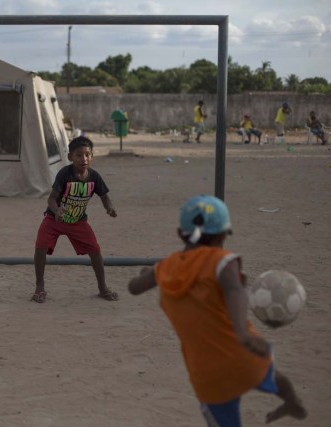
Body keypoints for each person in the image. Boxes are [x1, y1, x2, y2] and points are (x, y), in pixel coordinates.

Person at [128, 195, 307, 426]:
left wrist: (150, 274)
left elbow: (133, 288)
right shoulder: (221, 260)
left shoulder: (166, 267)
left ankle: (290, 403)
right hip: (244, 356)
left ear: (180, 233)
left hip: (207, 374)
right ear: (223, 235)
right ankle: (292, 402)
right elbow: (235, 290)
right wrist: (242, 333)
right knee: (272, 374)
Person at [32, 135, 118, 303]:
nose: (83, 159)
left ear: (92, 156)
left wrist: (109, 207)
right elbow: (51, 199)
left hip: (78, 221)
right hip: (54, 219)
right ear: (70, 157)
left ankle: (102, 288)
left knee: (95, 252)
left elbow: (105, 196)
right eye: (79, 155)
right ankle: (39, 287)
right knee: (40, 246)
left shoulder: (94, 177)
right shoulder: (64, 174)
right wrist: (57, 210)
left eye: (87, 155)